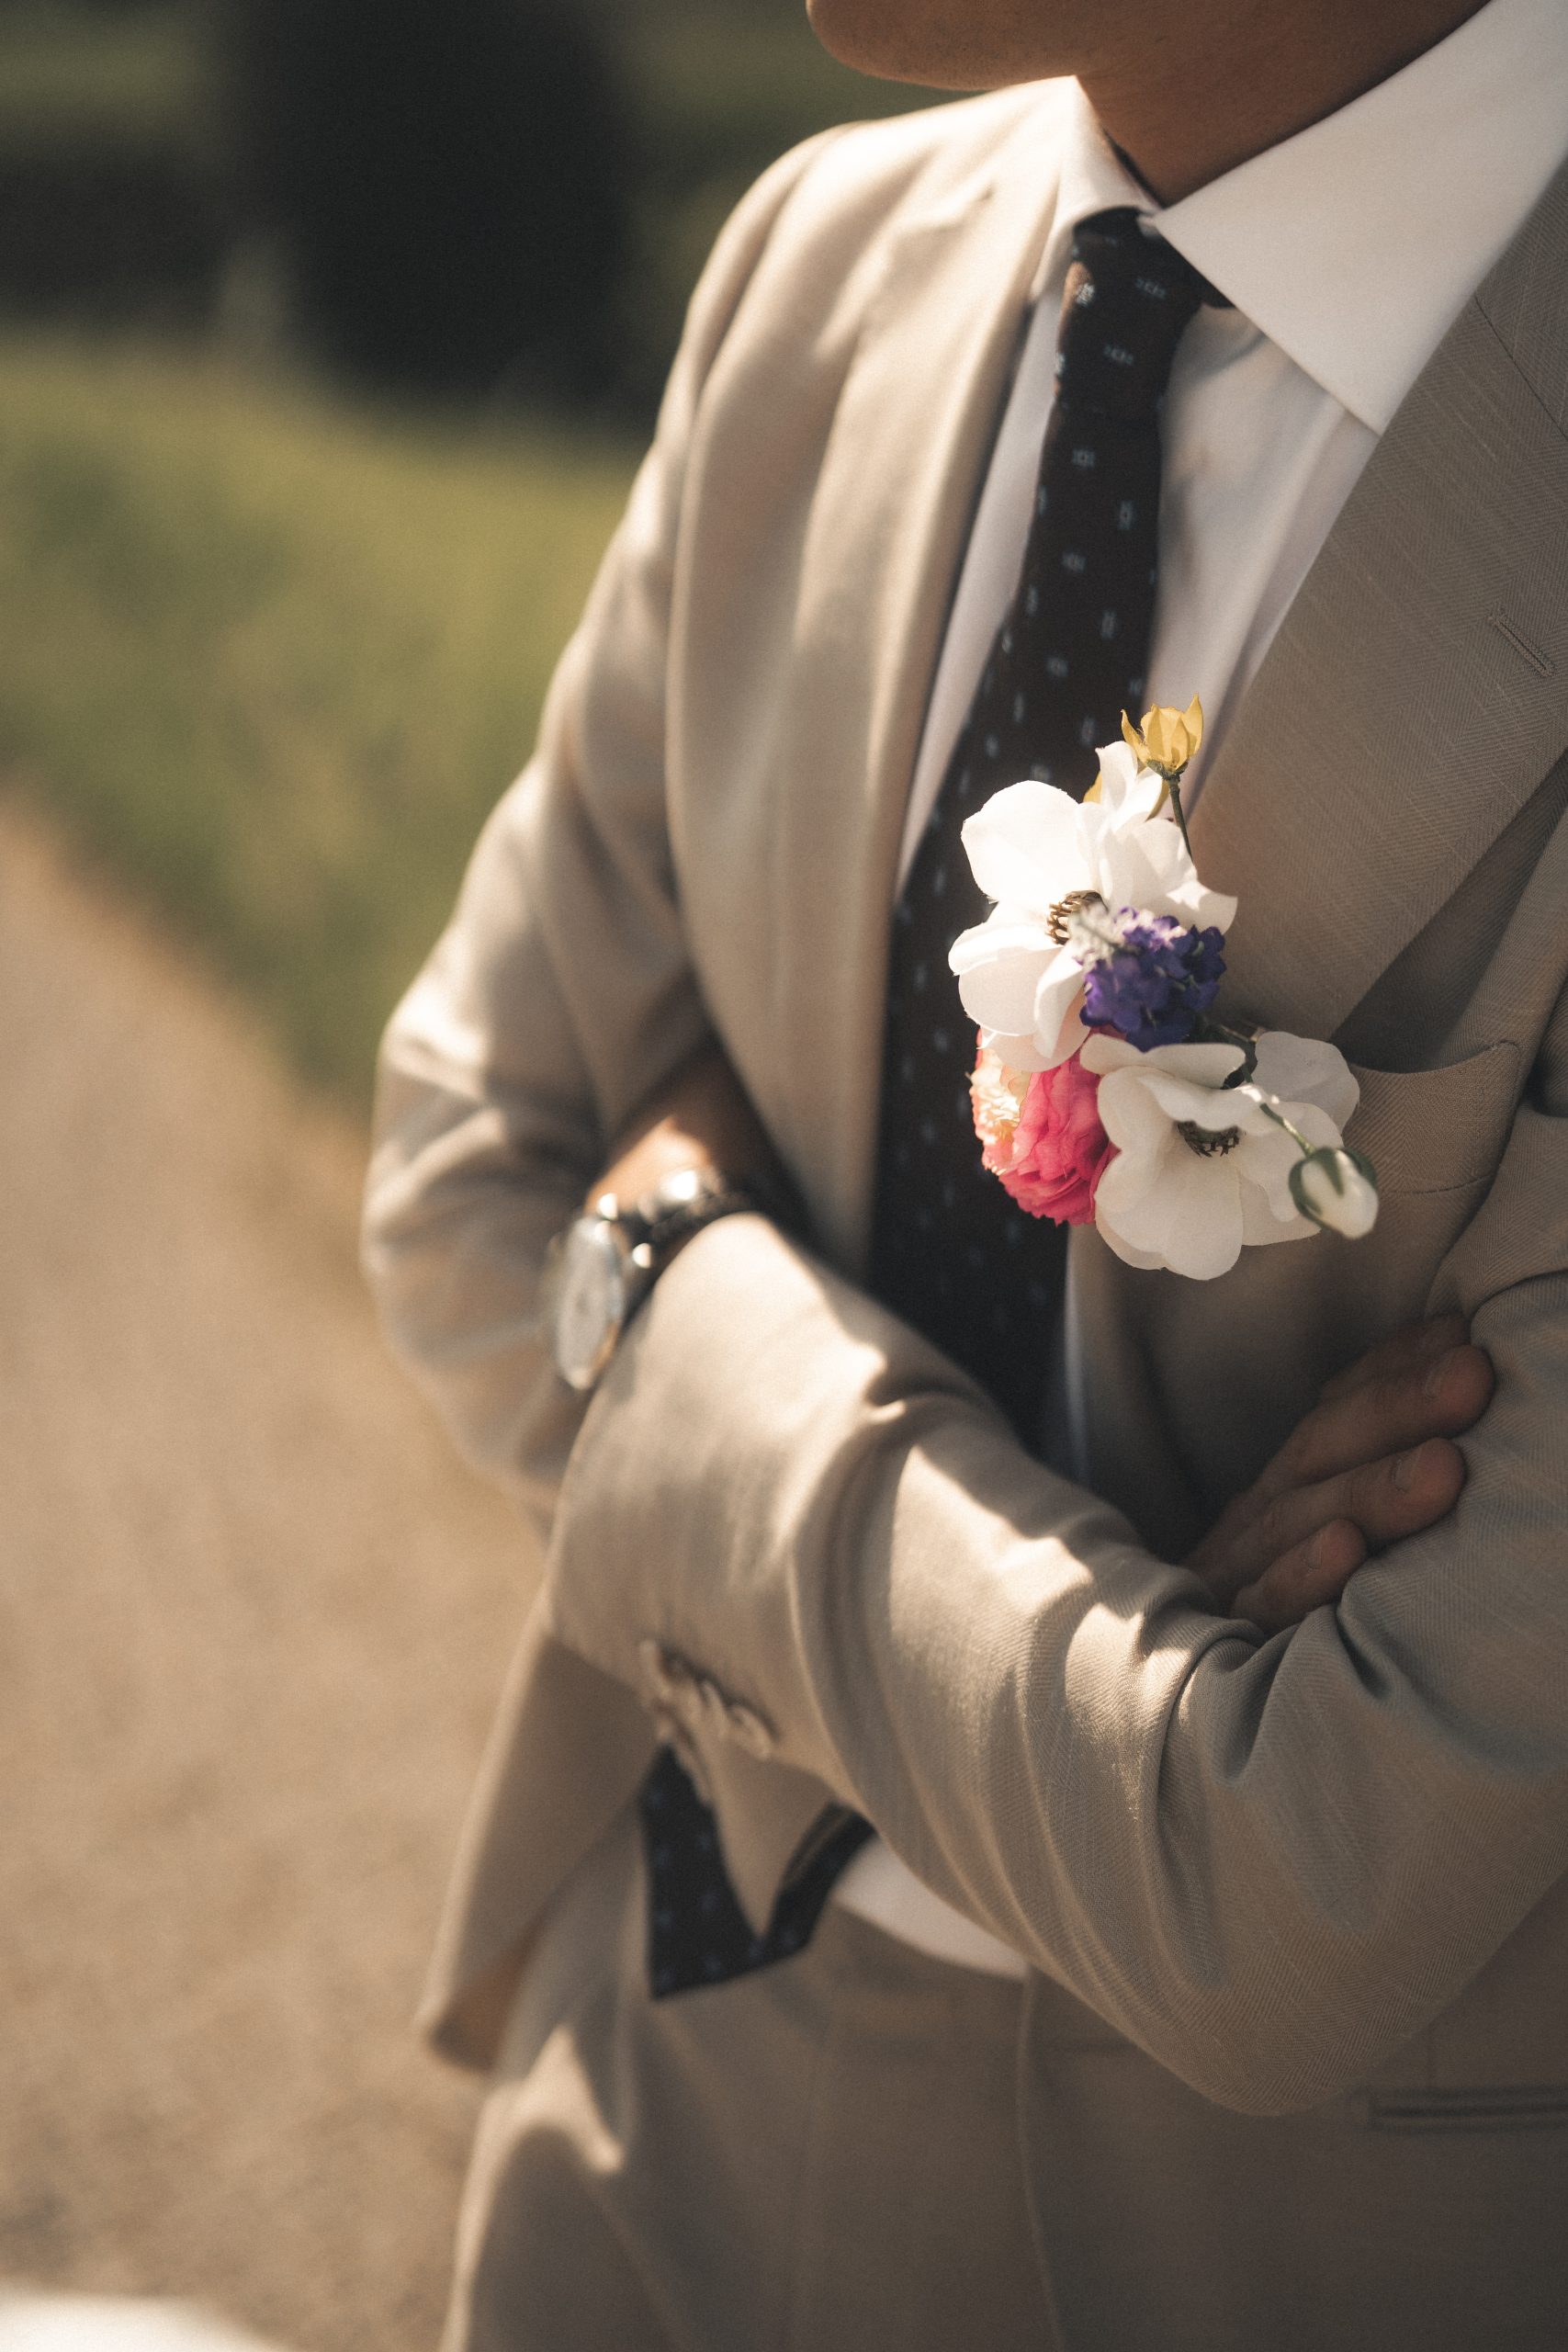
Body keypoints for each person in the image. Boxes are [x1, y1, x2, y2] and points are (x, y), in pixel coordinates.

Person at [361, 0, 1568, 2341]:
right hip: (637, 2156)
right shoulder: (819, 272)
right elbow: (465, 1165)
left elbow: (1300, 1866)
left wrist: (684, 1310)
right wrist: (1109, 1643)